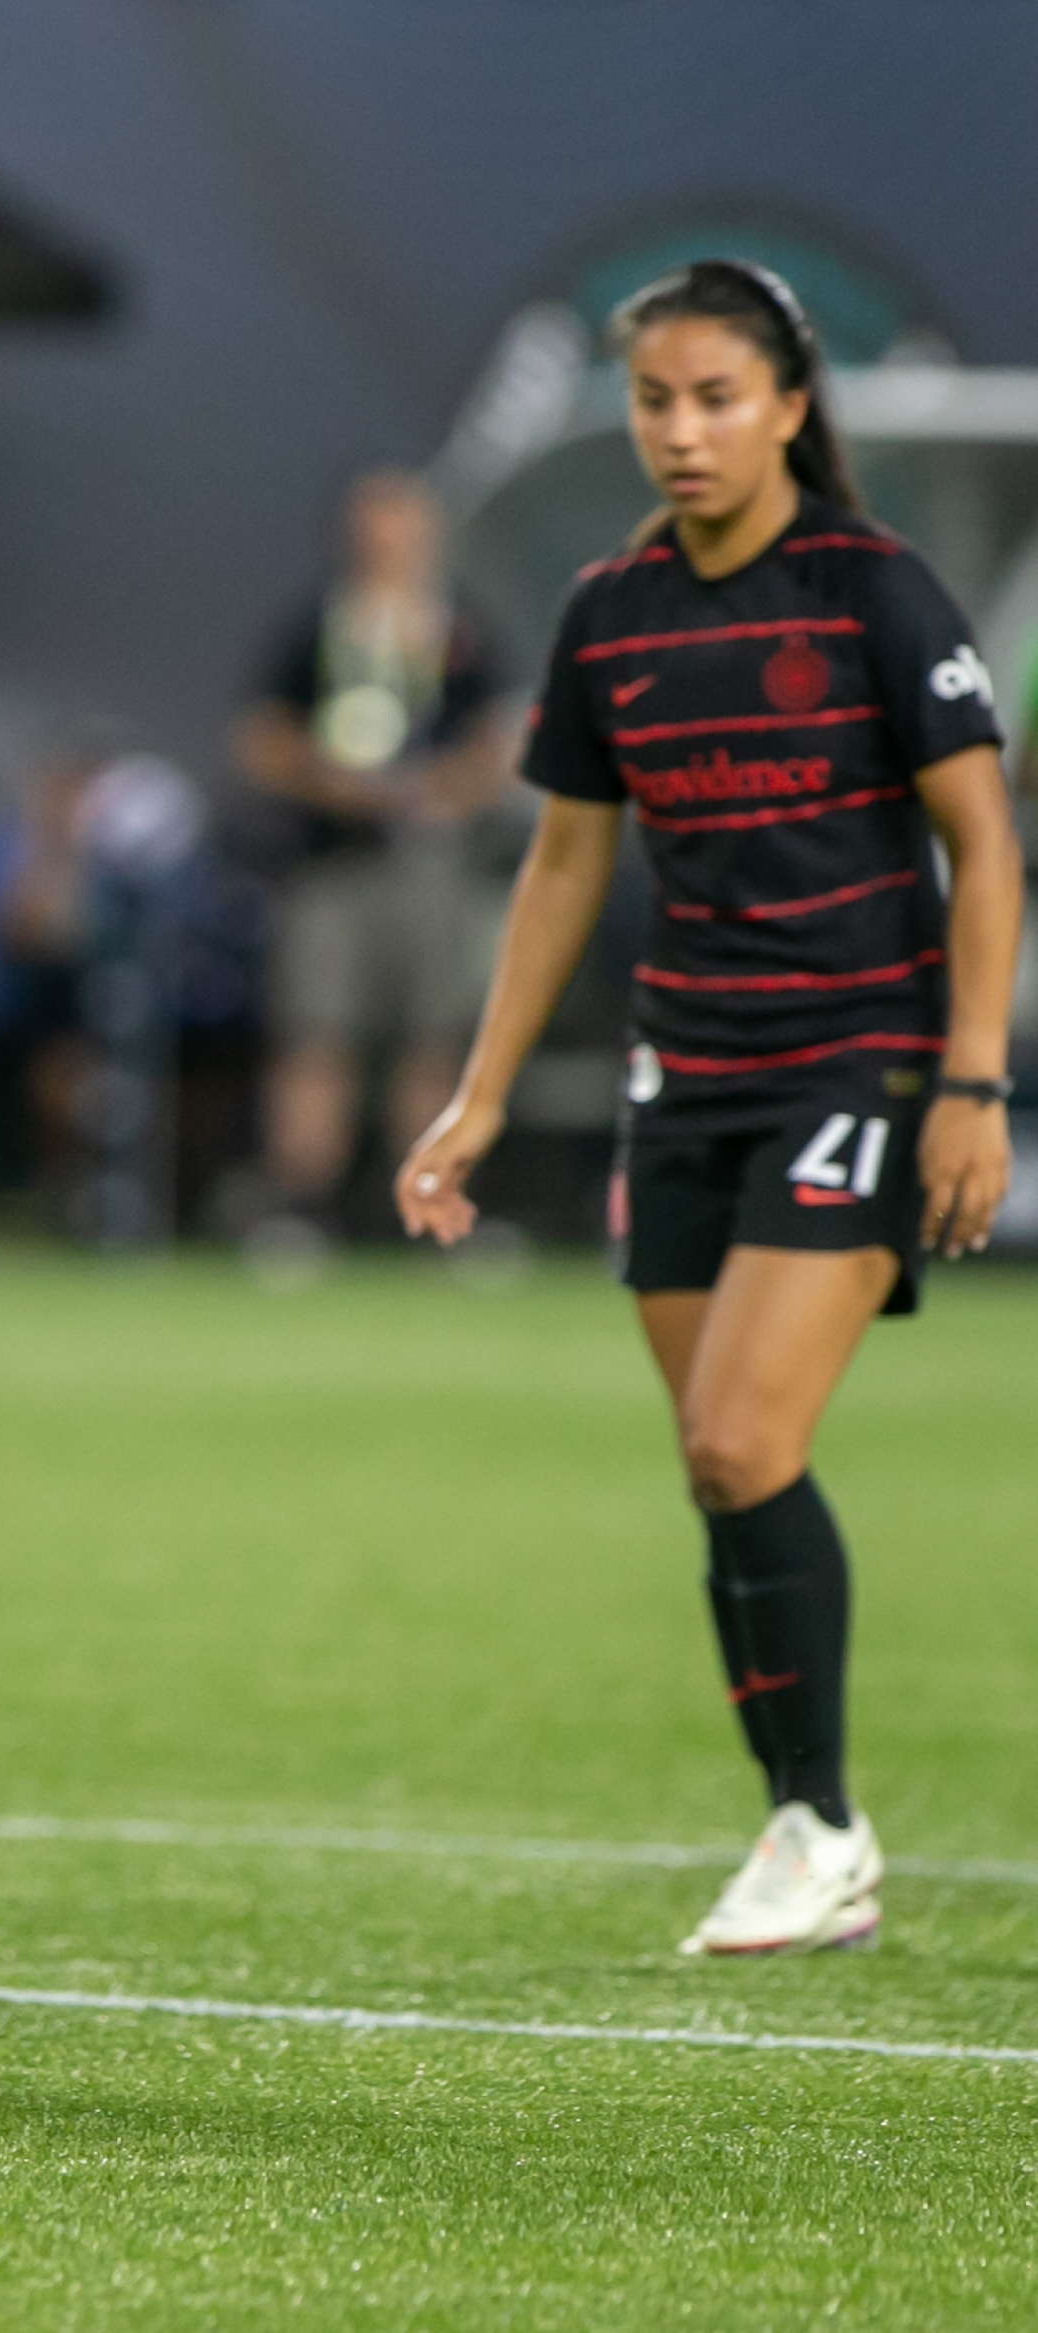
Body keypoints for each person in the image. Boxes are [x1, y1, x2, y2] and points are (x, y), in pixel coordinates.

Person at [398, 262, 1019, 1957]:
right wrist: (479, 1095)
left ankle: (817, 1824)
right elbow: (565, 861)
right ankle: (810, 1830)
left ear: (793, 410)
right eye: (657, 401)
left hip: (857, 1063)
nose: (682, 430)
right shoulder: (612, 613)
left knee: (744, 1438)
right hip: (689, 1069)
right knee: (721, 1464)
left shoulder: (876, 592)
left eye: (717, 398)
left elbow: (986, 844)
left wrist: (972, 1079)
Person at [236, 469, 517, 1248]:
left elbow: (499, 744)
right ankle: (301, 1213)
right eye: (374, 523)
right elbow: (261, 740)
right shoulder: (316, 626)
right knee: (316, 1038)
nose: (388, 540)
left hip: (433, 866)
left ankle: (431, 1218)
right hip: (333, 867)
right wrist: (332, 784)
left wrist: (440, 787)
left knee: (434, 1043)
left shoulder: (463, 626)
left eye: (403, 523)